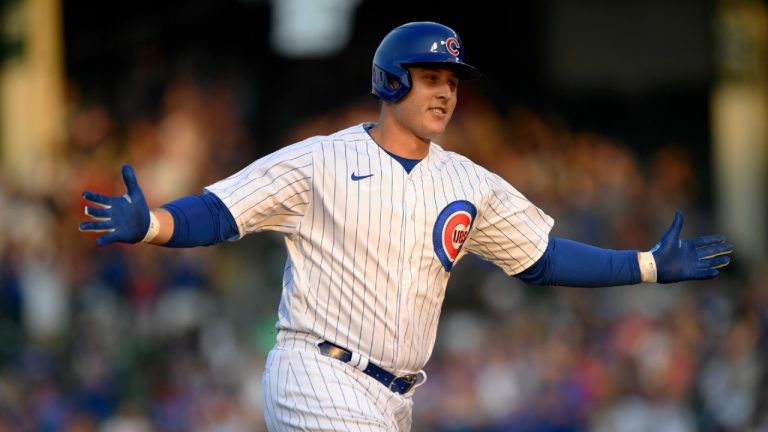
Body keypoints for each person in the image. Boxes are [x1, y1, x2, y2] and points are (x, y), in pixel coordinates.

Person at [79, 21, 733, 431]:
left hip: (396, 400)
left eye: (451, 80)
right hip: (319, 375)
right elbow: (224, 213)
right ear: (390, 82)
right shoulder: (322, 160)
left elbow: (542, 258)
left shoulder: (468, 182)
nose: (446, 91)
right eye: (430, 78)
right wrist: (156, 223)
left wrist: (645, 265)